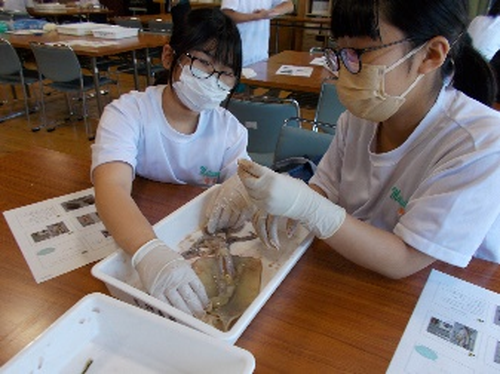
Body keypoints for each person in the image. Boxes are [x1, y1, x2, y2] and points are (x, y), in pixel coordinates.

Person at [217, 0, 500, 280]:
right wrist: (286, 207)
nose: (341, 71)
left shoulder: (479, 142)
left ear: (430, 55)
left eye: (359, 53)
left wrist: (305, 206)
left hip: (433, 289)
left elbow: (404, 259)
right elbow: (324, 187)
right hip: (358, 272)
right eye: (341, 53)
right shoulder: (361, 116)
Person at [91, 7, 247, 318]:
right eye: (203, 62)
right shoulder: (128, 113)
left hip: (189, 239)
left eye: (226, 72)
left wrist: (240, 187)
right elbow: (111, 185)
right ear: (168, 57)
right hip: (137, 233)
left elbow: (242, 178)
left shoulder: (229, 130)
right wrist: (149, 252)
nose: (212, 79)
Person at [220, 0, 294, 67]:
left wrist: (272, 12)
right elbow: (227, 14)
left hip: (261, 54)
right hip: (236, 52)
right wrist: (257, 16)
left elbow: (289, 5)